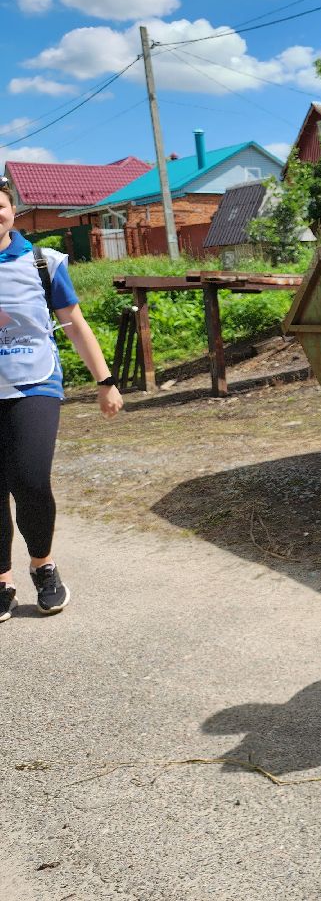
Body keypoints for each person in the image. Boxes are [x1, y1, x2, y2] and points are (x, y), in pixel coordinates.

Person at [0, 182, 123, 623]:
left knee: (30, 480)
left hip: (33, 382)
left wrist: (104, 381)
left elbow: (73, 323)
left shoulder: (43, 262)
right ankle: (2, 580)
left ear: (13, 210)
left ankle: (43, 565)